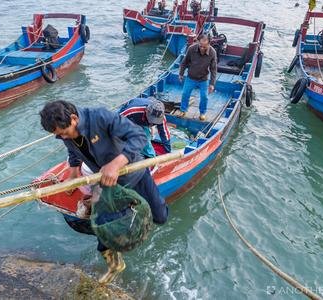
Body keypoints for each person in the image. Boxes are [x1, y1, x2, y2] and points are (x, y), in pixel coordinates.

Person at [39, 100, 168, 284]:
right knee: (101, 225)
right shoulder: (65, 136)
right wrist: (73, 173)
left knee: (160, 217)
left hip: (132, 174)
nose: (63, 138)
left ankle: (138, 214)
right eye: (59, 136)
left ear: (74, 118)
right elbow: (73, 151)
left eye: (64, 133)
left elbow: (139, 136)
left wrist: (116, 164)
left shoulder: (100, 117)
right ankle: (116, 264)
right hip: (106, 182)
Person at [178, 34, 217, 121]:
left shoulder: (212, 52)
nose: (202, 48)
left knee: (204, 97)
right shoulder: (191, 49)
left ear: (209, 44)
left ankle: (202, 113)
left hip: (203, 79)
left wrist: (212, 84)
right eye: (200, 46)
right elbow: (184, 62)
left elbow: (213, 69)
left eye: (204, 46)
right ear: (198, 42)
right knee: (185, 94)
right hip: (191, 77)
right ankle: (183, 110)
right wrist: (181, 74)